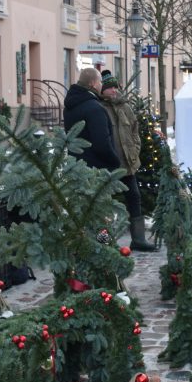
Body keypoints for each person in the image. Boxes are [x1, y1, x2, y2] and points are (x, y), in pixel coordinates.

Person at [98, 70, 155, 251]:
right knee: (105, 202)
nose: (114, 91)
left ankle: (138, 239)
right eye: (109, 88)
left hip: (127, 163)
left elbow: (135, 132)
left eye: (115, 87)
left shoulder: (125, 107)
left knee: (134, 197)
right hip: (109, 164)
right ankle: (105, 241)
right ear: (102, 90)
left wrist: (135, 150)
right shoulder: (99, 108)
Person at [63, 67, 120, 171]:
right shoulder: (95, 108)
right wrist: (115, 161)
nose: (101, 85)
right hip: (97, 170)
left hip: (75, 167)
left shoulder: (69, 106)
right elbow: (102, 143)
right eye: (100, 82)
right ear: (93, 83)